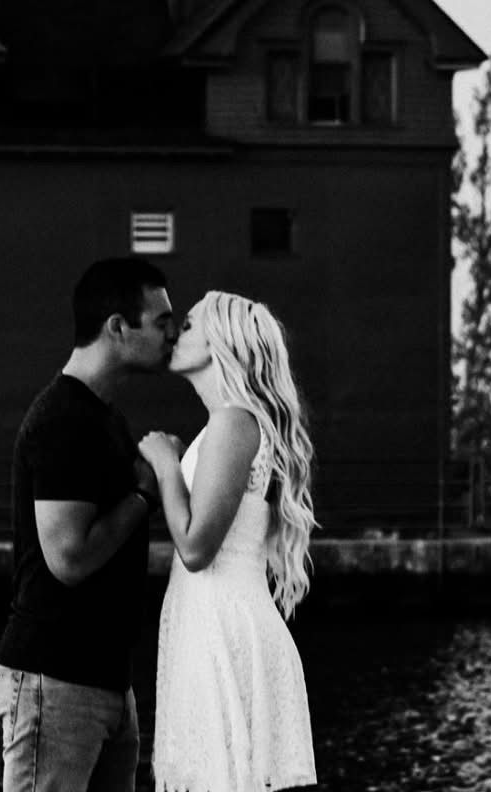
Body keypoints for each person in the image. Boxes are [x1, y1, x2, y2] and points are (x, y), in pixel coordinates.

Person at [0, 256, 178, 792]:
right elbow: (68, 558)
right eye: (162, 322)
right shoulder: (64, 420)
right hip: (56, 681)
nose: (174, 333)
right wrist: (145, 493)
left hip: (104, 683)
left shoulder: (102, 417)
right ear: (118, 328)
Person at [139, 291, 317, 792]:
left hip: (224, 628)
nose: (177, 333)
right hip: (208, 622)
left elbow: (196, 549)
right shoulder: (226, 426)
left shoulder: (233, 423)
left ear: (221, 342)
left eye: (190, 325)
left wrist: (166, 464)